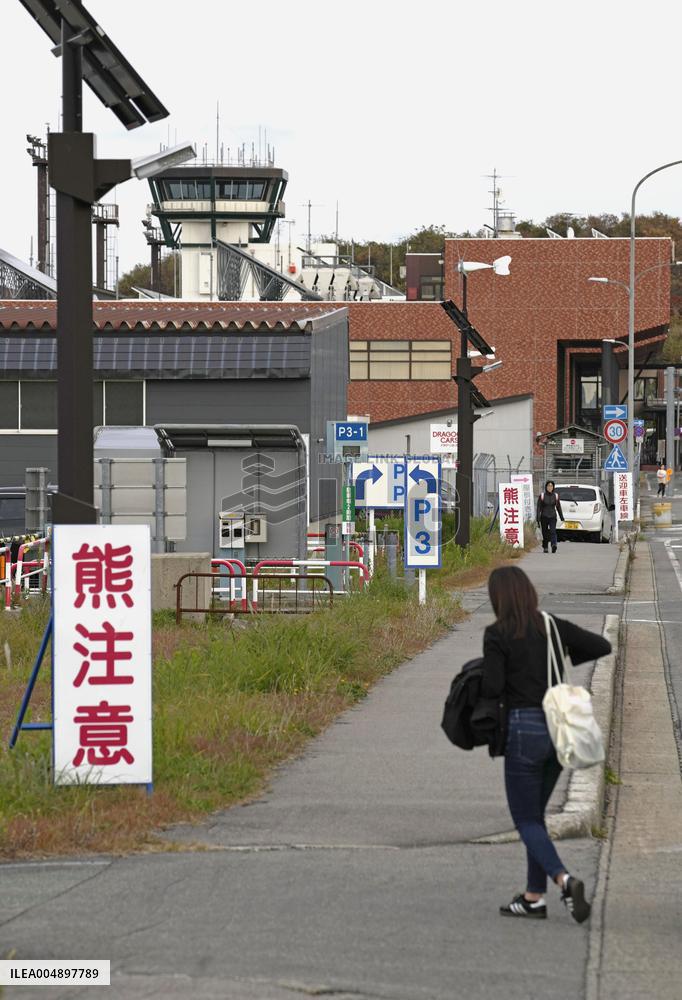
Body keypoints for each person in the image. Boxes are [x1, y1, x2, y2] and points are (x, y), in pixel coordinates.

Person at [482, 565, 611, 922]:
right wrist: (560, 657)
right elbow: (601, 644)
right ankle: (533, 897)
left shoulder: (497, 634)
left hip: (524, 730)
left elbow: (492, 688)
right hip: (559, 733)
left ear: (499, 599)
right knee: (534, 818)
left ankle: (564, 880)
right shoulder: (551, 626)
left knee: (525, 819)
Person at [536, 480, 564, 554]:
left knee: (553, 531)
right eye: (548, 486)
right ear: (546, 487)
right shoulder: (542, 496)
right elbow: (538, 507)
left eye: (551, 486)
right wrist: (538, 517)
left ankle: (553, 545)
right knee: (545, 532)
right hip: (544, 516)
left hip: (552, 516)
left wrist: (561, 516)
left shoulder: (556, 496)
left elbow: (558, 507)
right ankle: (545, 547)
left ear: (553, 487)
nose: (550, 487)